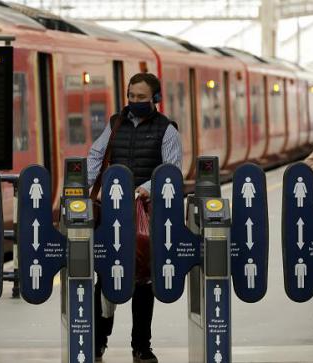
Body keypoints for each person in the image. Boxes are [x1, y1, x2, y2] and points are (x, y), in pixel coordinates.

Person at [88, 72, 182, 363]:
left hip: (146, 214)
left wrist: (145, 189)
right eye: (131, 96)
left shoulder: (167, 130)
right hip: (113, 211)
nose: (134, 102)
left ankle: (141, 346)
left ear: (155, 99)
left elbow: (172, 168)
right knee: (106, 275)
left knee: (143, 281)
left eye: (141, 97)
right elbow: (96, 154)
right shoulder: (116, 123)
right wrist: (85, 187)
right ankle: (97, 341)